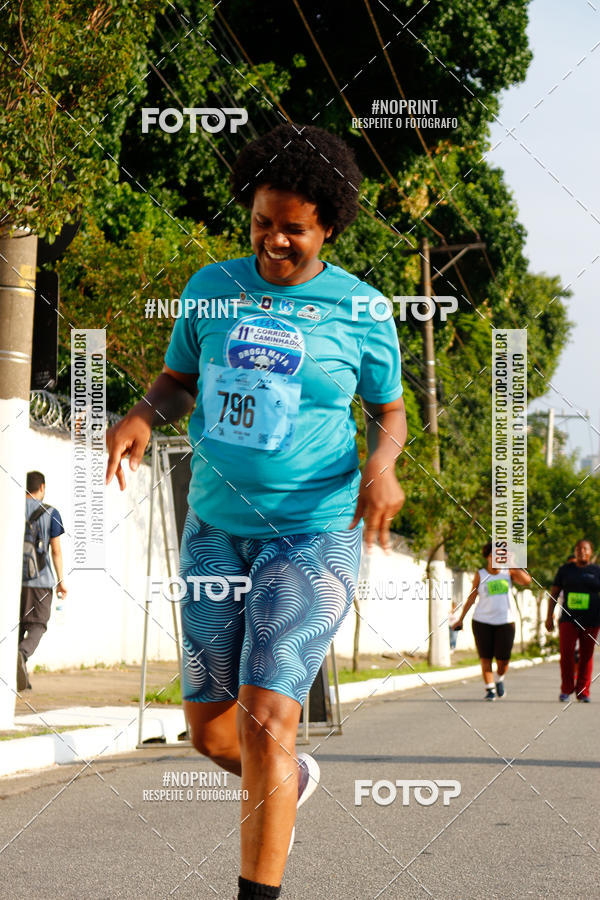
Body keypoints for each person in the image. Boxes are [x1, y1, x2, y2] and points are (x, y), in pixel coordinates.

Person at [106, 124, 406, 900]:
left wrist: (382, 466)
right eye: (262, 223)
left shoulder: (364, 311)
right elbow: (176, 379)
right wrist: (143, 414)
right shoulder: (211, 288)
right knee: (212, 733)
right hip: (214, 530)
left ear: (328, 226)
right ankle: (291, 774)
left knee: (268, 717)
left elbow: (390, 413)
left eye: (293, 229)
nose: (275, 241)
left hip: (314, 532)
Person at [452, 543, 531, 700]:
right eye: (494, 555)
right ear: (488, 557)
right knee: (485, 657)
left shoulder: (508, 572)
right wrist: (460, 619)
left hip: (505, 622)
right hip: (482, 622)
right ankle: (490, 689)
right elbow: (472, 598)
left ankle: (500, 678)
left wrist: (513, 563)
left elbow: (527, 581)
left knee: (503, 660)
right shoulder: (480, 574)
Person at [17, 471, 66, 691]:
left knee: (15, 626)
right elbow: (55, 551)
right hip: (40, 581)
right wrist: (61, 580)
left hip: (13, 580)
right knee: (37, 623)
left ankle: (20, 676)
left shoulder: (11, 506)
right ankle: (22, 654)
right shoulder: (51, 513)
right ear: (42, 487)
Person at [545, 539, 600, 702]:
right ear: (575, 552)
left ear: (591, 552)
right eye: (578, 549)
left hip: (592, 619)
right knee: (567, 653)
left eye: (585, 549)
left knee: (586, 655)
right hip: (568, 618)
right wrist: (549, 616)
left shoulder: (597, 571)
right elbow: (554, 593)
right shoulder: (565, 570)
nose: (581, 551)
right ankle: (566, 689)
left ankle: (583, 692)